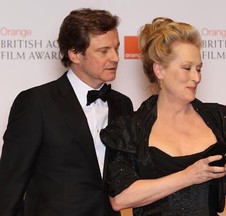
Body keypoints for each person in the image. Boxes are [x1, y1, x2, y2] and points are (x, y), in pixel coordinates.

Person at [100, 17, 226, 215]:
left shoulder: (218, 121)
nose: (196, 77)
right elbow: (120, 198)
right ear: (159, 70)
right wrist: (189, 176)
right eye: (186, 68)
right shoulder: (132, 127)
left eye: (199, 69)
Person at [0, 8, 133, 216]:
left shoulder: (123, 105)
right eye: (104, 50)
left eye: (117, 48)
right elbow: (9, 187)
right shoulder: (36, 103)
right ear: (75, 53)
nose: (115, 58)